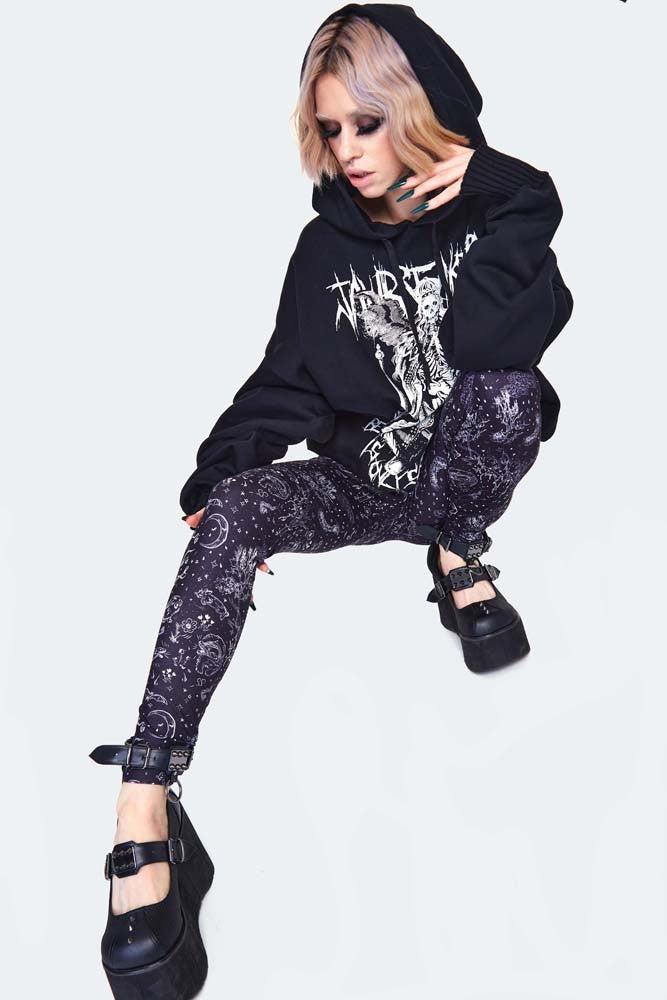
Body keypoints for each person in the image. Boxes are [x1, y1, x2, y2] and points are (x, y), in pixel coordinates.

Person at [89, 4, 574, 996]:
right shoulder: (323, 253)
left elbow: (495, 345)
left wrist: (512, 189)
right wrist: (225, 474)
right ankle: (146, 799)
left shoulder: (494, 220)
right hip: (363, 484)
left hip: (461, 473)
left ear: (416, 109)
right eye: (331, 128)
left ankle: (457, 549)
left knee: (505, 392)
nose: (348, 150)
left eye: (368, 122)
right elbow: (288, 380)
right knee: (233, 514)